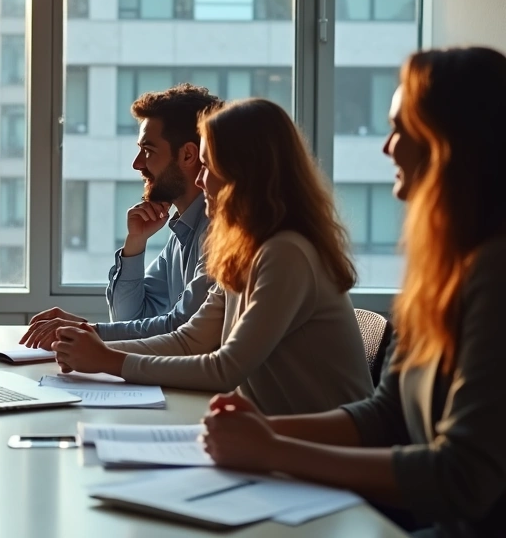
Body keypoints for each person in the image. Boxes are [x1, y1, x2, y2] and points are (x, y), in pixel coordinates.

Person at [201, 47, 506, 536]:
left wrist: (273, 450)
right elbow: (387, 415)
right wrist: (261, 432)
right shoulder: (440, 272)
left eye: (400, 129)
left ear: (448, 144)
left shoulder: (493, 272)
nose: (387, 147)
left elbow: (462, 478)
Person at [49, 98, 372, 416]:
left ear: (242, 173)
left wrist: (107, 359)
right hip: (274, 433)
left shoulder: (286, 252)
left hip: (322, 440)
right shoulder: (245, 249)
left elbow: (225, 368)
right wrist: (94, 351)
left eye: (207, 167)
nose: (199, 181)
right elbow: (189, 341)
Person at [22, 84, 218, 347]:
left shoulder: (216, 231)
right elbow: (130, 317)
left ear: (188, 155)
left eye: (148, 150)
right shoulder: (182, 234)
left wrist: (88, 331)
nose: (137, 164)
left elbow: (185, 329)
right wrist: (135, 242)